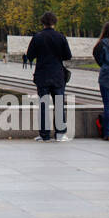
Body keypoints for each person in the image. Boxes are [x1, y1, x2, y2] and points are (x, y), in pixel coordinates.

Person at [25, 11, 71, 141]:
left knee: (43, 105)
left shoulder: (37, 37)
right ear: (54, 22)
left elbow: (30, 55)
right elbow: (68, 55)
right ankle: (60, 134)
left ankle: (44, 135)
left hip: (43, 75)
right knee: (59, 104)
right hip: (57, 75)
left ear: (43, 23)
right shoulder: (61, 37)